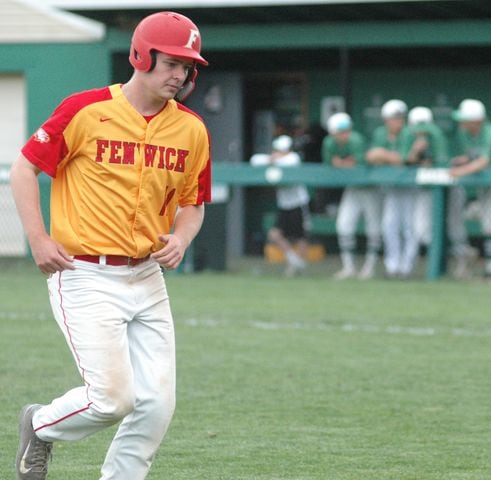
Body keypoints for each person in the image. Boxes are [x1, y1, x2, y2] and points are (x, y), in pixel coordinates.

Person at [9, 11, 211, 480]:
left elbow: (193, 203)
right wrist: (37, 238)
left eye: (188, 66)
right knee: (112, 400)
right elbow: (24, 169)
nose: (180, 74)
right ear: (141, 55)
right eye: (172, 62)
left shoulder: (192, 129)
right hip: (84, 274)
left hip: (147, 275)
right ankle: (39, 426)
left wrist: (180, 237)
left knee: (157, 404)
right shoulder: (86, 108)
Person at [322, 112, 382, 279]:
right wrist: (343, 163)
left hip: (370, 189)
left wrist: (343, 163)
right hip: (353, 189)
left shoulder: (356, 139)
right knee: (344, 225)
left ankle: (370, 267)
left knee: (374, 228)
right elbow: (329, 163)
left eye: (345, 131)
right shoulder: (329, 142)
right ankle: (349, 267)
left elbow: (359, 163)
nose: (344, 135)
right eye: (340, 132)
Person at [365, 99, 417, 278]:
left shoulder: (408, 133)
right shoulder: (381, 133)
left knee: (409, 227)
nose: (396, 121)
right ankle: (392, 266)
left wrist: (385, 156)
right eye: (393, 118)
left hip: (410, 186)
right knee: (389, 226)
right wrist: (390, 157)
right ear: (385, 119)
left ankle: (407, 267)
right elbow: (371, 156)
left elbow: (405, 159)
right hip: (390, 188)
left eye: (399, 118)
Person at [250, 135, 311, 277]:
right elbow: (255, 160)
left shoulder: (293, 158)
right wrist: (272, 159)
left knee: (301, 236)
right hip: (284, 204)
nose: (278, 152)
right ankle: (294, 260)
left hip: (298, 203)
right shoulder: (274, 160)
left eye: (282, 150)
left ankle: (297, 267)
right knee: (274, 234)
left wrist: (274, 160)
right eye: (277, 149)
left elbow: (290, 161)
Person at [449, 99, 491, 279]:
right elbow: (473, 156)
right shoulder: (465, 134)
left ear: (476, 121)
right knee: (487, 226)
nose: (461, 123)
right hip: (482, 188)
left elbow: (484, 161)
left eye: (465, 119)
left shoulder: (490, 132)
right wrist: (463, 161)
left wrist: (460, 171)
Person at [401, 106, 449, 273]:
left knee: (451, 229)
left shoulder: (436, 136)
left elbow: (441, 162)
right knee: (420, 231)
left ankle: (453, 258)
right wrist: (416, 150)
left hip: (444, 191)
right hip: (419, 190)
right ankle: (442, 262)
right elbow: (407, 160)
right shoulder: (409, 137)